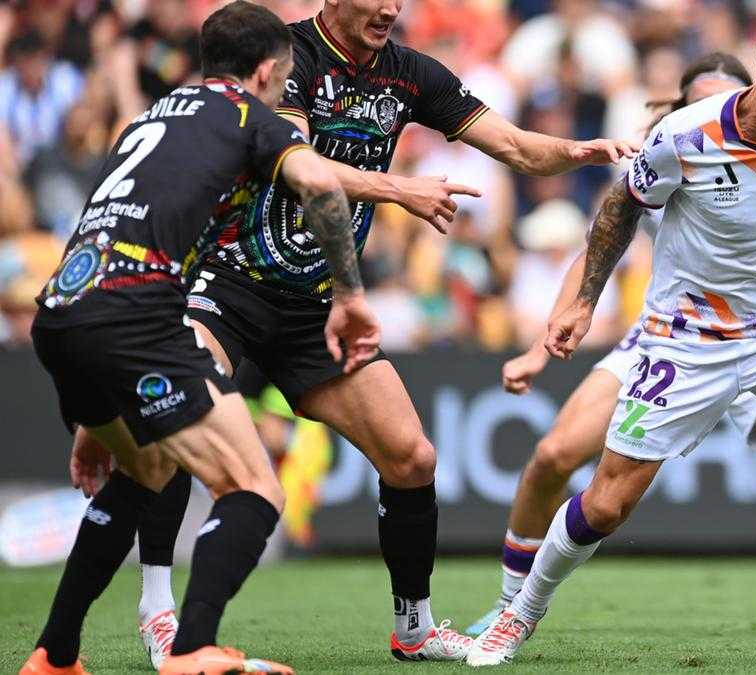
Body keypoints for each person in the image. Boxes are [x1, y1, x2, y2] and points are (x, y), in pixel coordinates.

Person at [130, 0, 638, 664]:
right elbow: (297, 162)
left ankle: (415, 626)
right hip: (228, 279)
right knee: (177, 418)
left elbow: (512, 145)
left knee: (411, 458)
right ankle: (157, 607)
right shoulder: (287, 56)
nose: (392, 9)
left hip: (317, 304)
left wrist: (580, 152)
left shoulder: (408, 73)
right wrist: (400, 189)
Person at [467, 15, 756, 668]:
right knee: (607, 501)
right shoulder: (683, 137)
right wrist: (586, 302)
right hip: (687, 342)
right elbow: (621, 208)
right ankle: (520, 612)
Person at [20, 3, 379, 674]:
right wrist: (351, 297)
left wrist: (94, 410)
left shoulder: (148, 118)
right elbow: (323, 187)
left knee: (149, 468)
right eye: (283, 78)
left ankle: (55, 654)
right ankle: (193, 649)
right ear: (268, 70)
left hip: (65, 308)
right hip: (134, 313)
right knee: (253, 485)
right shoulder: (250, 117)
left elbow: (102, 217)